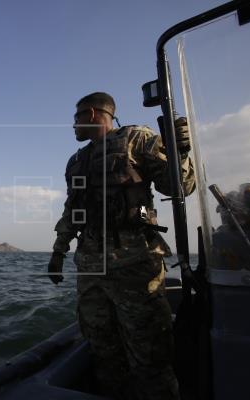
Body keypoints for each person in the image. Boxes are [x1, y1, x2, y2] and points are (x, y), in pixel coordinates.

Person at [47, 92, 195, 400]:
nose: (73, 126)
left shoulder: (137, 139)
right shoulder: (77, 161)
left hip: (135, 264)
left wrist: (181, 151)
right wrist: (59, 250)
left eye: (76, 118)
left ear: (91, 114)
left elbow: (180, 186)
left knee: (150, 354)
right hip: (90, 270)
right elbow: (74, 209)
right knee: (103, 351)